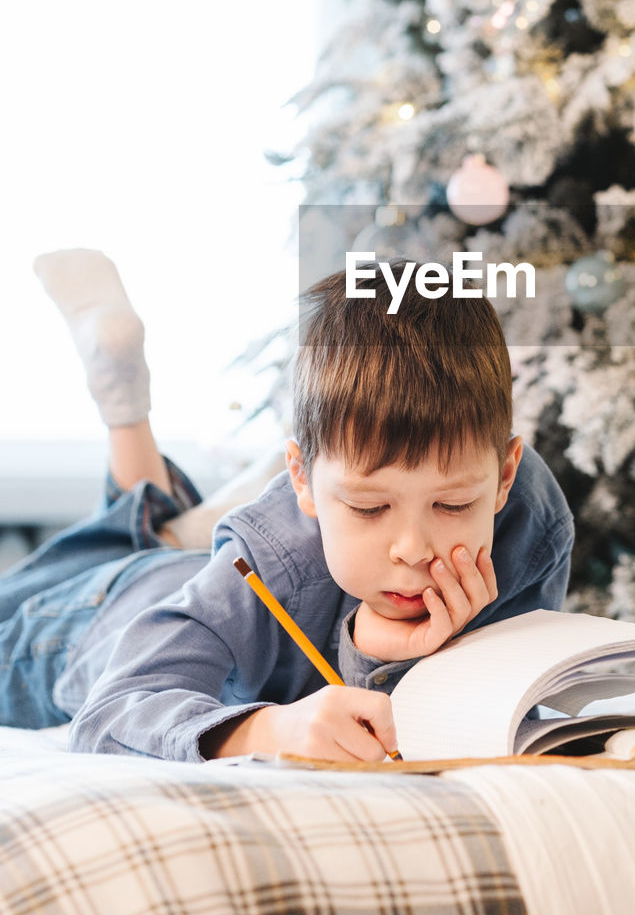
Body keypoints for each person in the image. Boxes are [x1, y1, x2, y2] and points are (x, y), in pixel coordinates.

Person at [0, 248, 574, 762]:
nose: (412, 550)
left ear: (503, 476)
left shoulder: (532, 526)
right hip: (101, 613)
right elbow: (114, 711)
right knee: (113, 565)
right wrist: (268, 731)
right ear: (300, 479)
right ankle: (126, 411)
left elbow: (466, 713)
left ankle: (187, 509)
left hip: (229, 565)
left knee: (177, 541)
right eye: (369, 508)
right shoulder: (276, 560)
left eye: (452, 505)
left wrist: (372, 649)